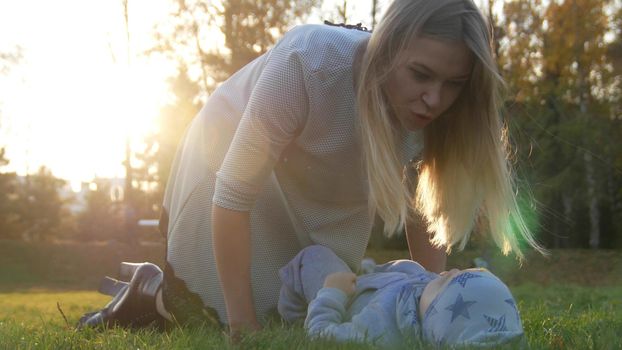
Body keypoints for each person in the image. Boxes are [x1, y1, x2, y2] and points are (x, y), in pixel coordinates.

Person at [77, 0, 544, 336]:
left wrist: (425, 301)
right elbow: (234, 196)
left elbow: (425, 209)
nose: (435, 99)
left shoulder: (435, 110)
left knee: (305, 303)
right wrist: (243, 327)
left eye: (454, 84)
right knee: (220, 310)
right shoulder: (309, 61)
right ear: (386, 51)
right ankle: (151, 290)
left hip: (318, 173)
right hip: (226, 154)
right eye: (421, 75)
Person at [279, 245, 523, 347]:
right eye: (461, 272)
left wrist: (332, 293)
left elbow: (322, 336)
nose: (451, 270)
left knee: (313, 257)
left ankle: (293, 315)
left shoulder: (382, 331)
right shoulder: (424, 297)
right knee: (415, 268)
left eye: (446, 281)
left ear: (433, 314)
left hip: (345, 294)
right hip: (374, 280)